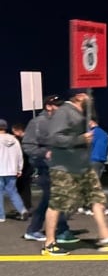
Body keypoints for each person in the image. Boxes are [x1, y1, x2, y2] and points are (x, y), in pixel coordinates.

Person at [40, 89, 108, 255]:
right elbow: (53, 138)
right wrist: (80, 139)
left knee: (97, 198)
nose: (90, 99)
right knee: (58, 204)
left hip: (84, 167)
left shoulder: (81, 114)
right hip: (64, 168)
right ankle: (49, 244)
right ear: (78, 96)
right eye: (87, 95)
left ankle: (107, 238)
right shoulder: (64, 112)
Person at [21, 95, 77, 243]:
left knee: (50, 200)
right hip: (43, 166)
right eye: (57, 105)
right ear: (48, 106)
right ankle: (62, 230)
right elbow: (27, 145)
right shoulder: (37, 123)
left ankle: (34, 230)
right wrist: (45, 153)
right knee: (55, 198)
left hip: (58, 166)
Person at [79, 116, 108, 216]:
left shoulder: (92, 133)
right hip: (100, 160)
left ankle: (87, 206)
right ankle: (90, 207)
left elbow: (84, 146)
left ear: (91, 122)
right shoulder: (104, 133)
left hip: (92, 160)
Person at [0, 119, 29, 223]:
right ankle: (22, 210)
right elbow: (19, 155)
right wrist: (19, 169)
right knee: (13, 192)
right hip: (12, 170)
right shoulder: (14, 140)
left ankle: (1, 216)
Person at [11, 122, 33, 211]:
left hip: (23, 167)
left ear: (18, 131)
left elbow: (20, 155)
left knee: (22, 188)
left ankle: (24, 207)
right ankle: (27, 206)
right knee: (26, 188)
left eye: (14, 132)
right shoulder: (29, 139)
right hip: (28, 166)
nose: (13, 134)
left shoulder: (21, 141)